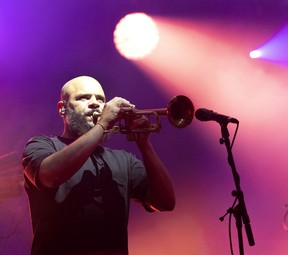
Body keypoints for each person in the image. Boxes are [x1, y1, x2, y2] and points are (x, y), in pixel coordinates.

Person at [22, 76, 176, 255]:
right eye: (84, 97)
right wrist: (103, 125)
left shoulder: (124, 160)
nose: (95, 104)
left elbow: (166, 202)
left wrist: (144, 144)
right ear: (62, 108)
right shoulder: (41, 145)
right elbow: (49, 175)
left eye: (101, 99)